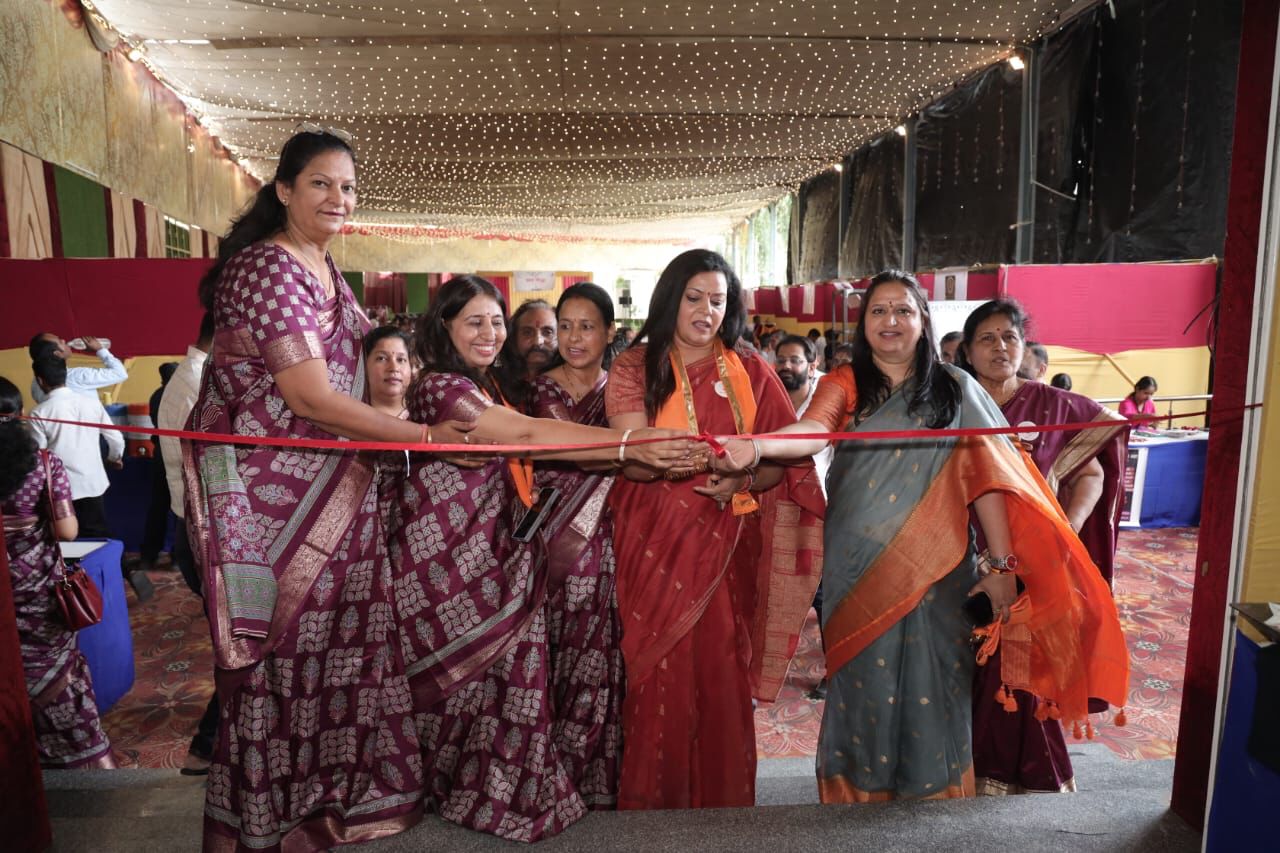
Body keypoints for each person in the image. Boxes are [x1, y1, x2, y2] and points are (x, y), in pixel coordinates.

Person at [717, 270, 1128, 803]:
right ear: (863, 323)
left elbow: (989, 483)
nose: (891, 321)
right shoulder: (844, 383)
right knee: (862, 685)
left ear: (923, 320)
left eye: (903, 310)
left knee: (935, 683)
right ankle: (856, 799)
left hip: (940, 568)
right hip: (855, 566)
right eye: (879, 311)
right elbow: (814, 431)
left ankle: (932, 802)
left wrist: (1002, 568)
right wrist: (760, 446)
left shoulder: (956, 389)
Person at [184, 127, 474, 851]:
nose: (338, 198)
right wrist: (426, 438)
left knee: (340, 653)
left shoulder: (325, 267)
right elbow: (310, 397)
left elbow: (374, 369)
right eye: (320, 183)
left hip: (340, 494)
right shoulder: (266, 268)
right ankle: (264, 822)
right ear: (283, 190)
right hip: (270, 507)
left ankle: (328, 805)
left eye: (347, 186)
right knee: (276, 667)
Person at [392, 275, 695, 841]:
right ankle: (459, 792)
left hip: (497, 555)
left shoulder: (488, 388)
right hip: (446, 565)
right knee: (458, 683)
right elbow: (529, 434)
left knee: (501, 684)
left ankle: (495, 795)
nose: (490, 333)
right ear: (445, 327)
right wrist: (629, 445)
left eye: (496, 322)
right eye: (474, 322)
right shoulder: (442, 389)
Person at [605, 249, 824, 810]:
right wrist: (686, 461)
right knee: (658, 670)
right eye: (694, 298)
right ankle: (653, 813)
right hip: (652, 539)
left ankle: (723, 814)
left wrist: (743, 471)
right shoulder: (637, 365)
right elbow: (628, 457)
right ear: (671, 300)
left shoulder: (751, 370)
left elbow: (779, 460)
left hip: (727, 540)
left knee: (722, 671)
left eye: (718, 301)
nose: (706, 311)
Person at [958, 298, 1129, 796]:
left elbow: (1092, 472)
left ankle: (1031, 779)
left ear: (1024, 347)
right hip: (960, 560)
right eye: (986, 339)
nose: (1000, 347)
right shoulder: (952, 402)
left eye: (1009, 337)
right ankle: (962, 776)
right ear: (967, 351)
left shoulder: (1053, 406)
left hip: (1034, 569)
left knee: (1025, 676)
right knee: (962, 671)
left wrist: (1064, 530)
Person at [527, 282, 625, 808]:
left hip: (610, 536)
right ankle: (551, 770)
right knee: (552, 648)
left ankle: (592, 774)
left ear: (609, 332)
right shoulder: (539, 392)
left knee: (599, 651)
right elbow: (567, 450)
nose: (573, 337)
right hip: (551, 539)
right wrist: (631, 451)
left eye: (586, 326)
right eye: (564, 326)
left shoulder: (622, 394)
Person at [0, 376, 116, 769]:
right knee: (56, 680)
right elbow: (67, 531)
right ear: (18, 416)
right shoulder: (42, 465)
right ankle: (83, 762)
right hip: (36, 595)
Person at [28, 356, 151, 602]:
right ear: (65, 375)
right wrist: (116, 457)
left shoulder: (40, 413)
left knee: (67, 541)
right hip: (93, 482)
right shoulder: (89, 403)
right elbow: (114, 437)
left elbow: (39, 457)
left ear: (40, 381)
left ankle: (79, 589)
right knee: (100, 533)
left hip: (61, 491)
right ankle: (122, 573)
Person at [156, 312, 215, 776]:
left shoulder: (192, 378)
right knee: (244, 649)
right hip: (203, 536)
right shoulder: (196, 386)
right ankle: (207, 745)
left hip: (201, 531)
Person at [134, 361, 179, 576]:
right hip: (178, 455)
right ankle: (178, 558)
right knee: (181, 507)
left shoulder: (156, 396)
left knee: (158, 508)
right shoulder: (179, 395)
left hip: (161, 454)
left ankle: (148, 557)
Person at [775, 335, 832, 495]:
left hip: (818, 495)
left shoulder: (825, 404)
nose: (786, 366)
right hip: (775, 493)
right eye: (780, 360)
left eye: (795, 360)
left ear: (812, 368)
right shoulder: (765, 403)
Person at [27, 332, 128, 404]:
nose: (63, 340)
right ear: (57, 354)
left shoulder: (36, 384)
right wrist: (100, 350)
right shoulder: (77, 376)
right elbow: (120, 373)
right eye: (59, 341)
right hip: (89, 432)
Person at [363, 325, 412, 418]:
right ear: (364, 365)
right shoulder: (349, 420)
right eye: (382, 358)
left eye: (401, 359)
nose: (394, 368)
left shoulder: (426, 415)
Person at [504, 298, 558, 381]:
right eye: (527, 332)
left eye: (547, 332)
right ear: (514, 338)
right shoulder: (498, 381)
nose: (537, 342)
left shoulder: (573, 383)